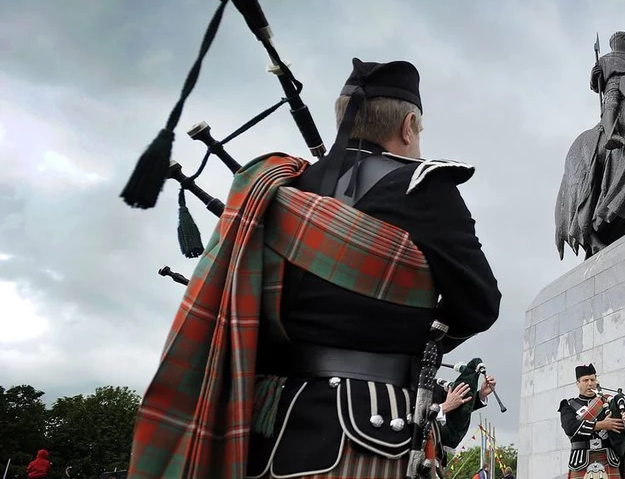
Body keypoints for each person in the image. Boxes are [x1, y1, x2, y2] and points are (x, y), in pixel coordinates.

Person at [128, 58, 502, 478]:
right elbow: (479, 306)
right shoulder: (426, 187)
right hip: (366, 432)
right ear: (408, 125)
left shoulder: (278, 189)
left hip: (262, 428)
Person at [558, 363, 625, 479]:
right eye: (585, 380)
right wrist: (601, 425)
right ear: (577, 383)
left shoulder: (610, 402)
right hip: (581, 460)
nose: (590, 383)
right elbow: (569, 427)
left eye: (592, 379)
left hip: (609, 458)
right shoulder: (568, 405)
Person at [590, 31, 625, 151]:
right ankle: (611, 134)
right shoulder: (604, 60)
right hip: (614, 85)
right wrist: (595, 76)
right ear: (616, 41)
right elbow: (596, 87)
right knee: (612, 101)